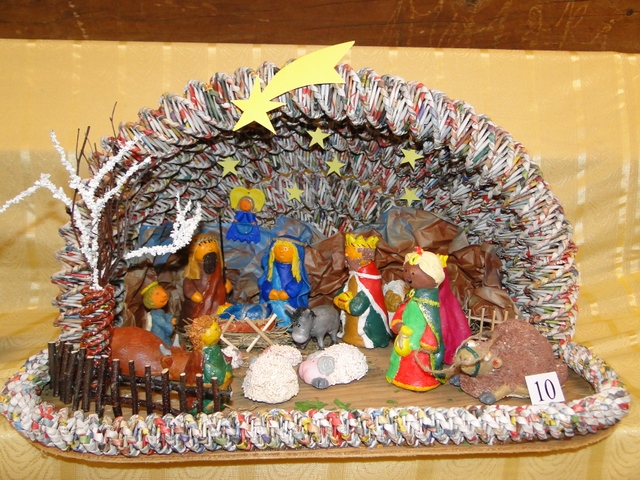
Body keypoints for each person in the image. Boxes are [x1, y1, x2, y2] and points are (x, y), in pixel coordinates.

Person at [386, 248, 446, 392]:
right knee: (400, 362)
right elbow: (400, 313)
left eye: (413, 273)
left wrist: (427, 344)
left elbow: (433, 326)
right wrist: (398, 325)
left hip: (418, 348)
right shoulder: (411, 298)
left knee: (415, 365)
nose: (408, 276)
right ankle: (397, 376)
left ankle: (419, 381)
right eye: (406, 271)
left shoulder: (429, 305)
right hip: (403, 341)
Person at [333, 234, 390, 348]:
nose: (346, 257)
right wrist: (340, 298)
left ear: (364, 258)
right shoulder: (354, 275)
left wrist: (345, 302)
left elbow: (356, 308)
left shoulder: (370, 280)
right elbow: (339, 295)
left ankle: (364, 338)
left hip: (368, 329)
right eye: (346, 253)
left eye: (350, 254)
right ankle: (350, 334)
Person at [257, 236, 310, 326]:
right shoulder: (271, 268)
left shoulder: (295, 270)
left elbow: (298, 282)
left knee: (286, 316)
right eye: (278, 248)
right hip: (272, 300)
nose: (281, 251)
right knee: (269, 313)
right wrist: (268, 291)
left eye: (286, 249)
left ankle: (286, 326)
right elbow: (266, 281)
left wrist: (288, 292)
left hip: (288, 302)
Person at [181, 234, 231, 327]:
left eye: (212, 245)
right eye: (205, 246)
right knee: (195, 319)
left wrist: (227, 284)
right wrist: (192, 293)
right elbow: (187, 283)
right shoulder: (194, 270)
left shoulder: (218, 267)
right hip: (199, 305)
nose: (210, 248)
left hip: (217, 300)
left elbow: (222, 278)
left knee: (219, 315)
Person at [140, 281, 176, 346]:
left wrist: (170, 319)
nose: (164, 294)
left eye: (163, 291)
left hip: (162, 333)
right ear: (149, 300)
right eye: (157, 294)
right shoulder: (154, 315)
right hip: (159, 335)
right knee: (165, 344)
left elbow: (164, 315)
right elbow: (162, 322)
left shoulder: (159, 311)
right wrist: (170, 327)